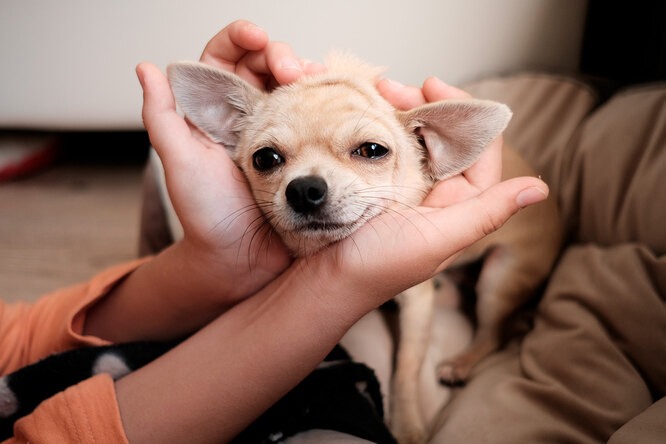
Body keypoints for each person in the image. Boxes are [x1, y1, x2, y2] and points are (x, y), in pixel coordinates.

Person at [0, 20, 548, 444]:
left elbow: (19, 339)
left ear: (434, 152)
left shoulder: (423, 163)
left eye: (369, 150)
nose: (306, 185)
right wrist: (239, 258)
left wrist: (407, 403)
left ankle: (484, 343)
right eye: (269, 159)